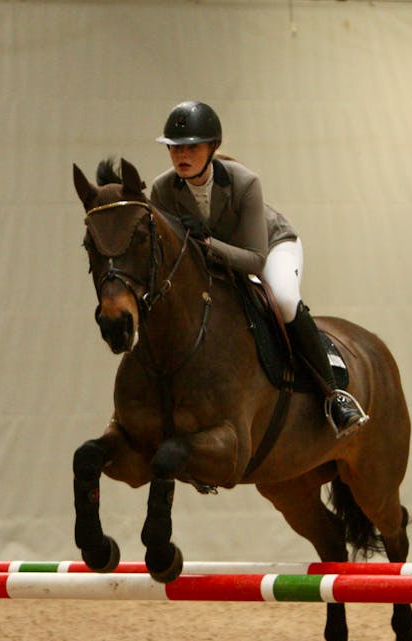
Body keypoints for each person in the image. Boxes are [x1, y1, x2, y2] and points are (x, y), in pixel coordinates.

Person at [150, 100, 367, 436]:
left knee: (282, 298)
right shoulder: (162, 189)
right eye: (175, 148)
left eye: (192, 147)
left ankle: (335, 397)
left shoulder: (244, 182)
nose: (182, 155)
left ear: (213, 148)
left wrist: (207, 244)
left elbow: (254, 259)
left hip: (270, 245)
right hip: (213, 261)